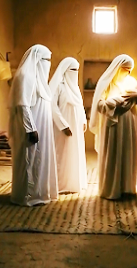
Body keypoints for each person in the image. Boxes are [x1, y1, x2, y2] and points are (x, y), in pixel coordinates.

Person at [88, 54, 137, 200]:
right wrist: (114, 105)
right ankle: (111, 189)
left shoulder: (132, 81)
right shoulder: (106, 83)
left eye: (130, 70)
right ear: (118, 68)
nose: (128, 72)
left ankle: (127, 188)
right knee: (113, 153)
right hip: (113, 124)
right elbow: (99, 105)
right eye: (125, 69)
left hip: (129, 123)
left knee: (127, 153)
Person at [8, 44, 59, 206]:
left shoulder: (39, 79)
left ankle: (40, 193)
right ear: (37, 59)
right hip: (31, 128)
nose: (48, 64)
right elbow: (22, 105)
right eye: (46, 60)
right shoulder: (25, 76)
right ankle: (26, 196)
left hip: (41, 126)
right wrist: (30, 129)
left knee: (40, 160)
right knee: (29, 160)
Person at [48, 56, 88, 194]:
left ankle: (73, 183)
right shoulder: (59, 86)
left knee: (74, 153)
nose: (75, 73)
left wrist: (83, 120)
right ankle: (60, 184)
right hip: (63, 128)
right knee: (62, 154)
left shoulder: (75, 88)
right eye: (73, 70)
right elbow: (52, 106)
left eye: (77, 70)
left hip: (76, 127)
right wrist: (63, 125)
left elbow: (80, 106)